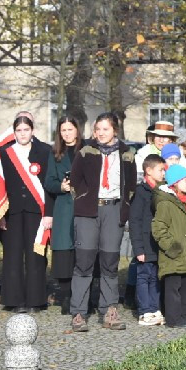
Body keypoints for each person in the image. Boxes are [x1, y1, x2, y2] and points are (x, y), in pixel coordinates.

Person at [68, 112, 136, 332]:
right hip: (88, 211)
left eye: (105, 129)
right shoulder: (86, 152)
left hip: (113, 210)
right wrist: (83, 200)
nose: (101, 133)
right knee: (84, 262)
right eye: (98, 129)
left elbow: (131, 186)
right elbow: (74, 182)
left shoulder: (127, 154)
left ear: (114, 130)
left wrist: (123, 206)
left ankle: (109, 310)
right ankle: (78, 312)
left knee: (109, 263)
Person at [0, 114, 52, 313]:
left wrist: (49, 213)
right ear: (14, 133)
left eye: (26, 130)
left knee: (36, 255)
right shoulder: (5, 153)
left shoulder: (44, 151)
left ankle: (35, 300)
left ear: (32, 131)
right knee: (12, 255)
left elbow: (48, 185)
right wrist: (0, 214)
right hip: (11, 211)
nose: (23, 134)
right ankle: (14, 300)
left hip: (36, 211)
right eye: (19, 130)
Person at [152, 164, 186, 328]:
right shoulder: (166, 204)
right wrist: (172, 247)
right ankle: (173, 319)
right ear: (175, 182)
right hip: (174, 255)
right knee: (173, 289)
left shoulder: (184, 202)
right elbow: (158, 228)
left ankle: (184, 316)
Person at [45, 115, 82, 315]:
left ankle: (82, 296)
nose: (67, 133)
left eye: (70, 129)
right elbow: (48, 182)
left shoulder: (86, 150)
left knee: (83, 251)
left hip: (84, 205)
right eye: (64, 130)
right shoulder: (55, 153)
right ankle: (66, 296)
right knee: (64, 251)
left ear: (77, 129)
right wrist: (61, 186)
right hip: (64, 207)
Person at [129, 156, 165, 326]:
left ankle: (154, 307)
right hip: (144, 244)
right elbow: (135, 221)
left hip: (156, 244)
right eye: (161, 170)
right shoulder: (141, 192)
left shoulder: (160, 190)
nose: (163, 173)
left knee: (155, 277)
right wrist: (138, 249)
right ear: (149, 171)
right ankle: (144, 311)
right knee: (144, 277)